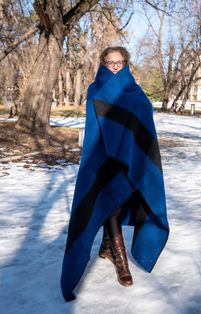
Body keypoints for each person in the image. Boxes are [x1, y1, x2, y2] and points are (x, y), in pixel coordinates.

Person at [60, 46, 169, 302]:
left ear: (127, 63)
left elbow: (144, 122)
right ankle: (121, 261)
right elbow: (96, 128)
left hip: (130, 157)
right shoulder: (95, 89)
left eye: (119, 62)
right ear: (102, 64)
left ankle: (108, 246)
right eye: (110, 63)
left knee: (118, 202)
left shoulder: (136, 91)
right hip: (103, 157)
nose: (115, 67)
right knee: (110, 205)